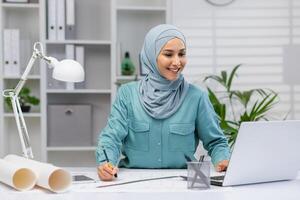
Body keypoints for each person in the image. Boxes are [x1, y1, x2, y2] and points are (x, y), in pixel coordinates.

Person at [96, 24, 230, 181]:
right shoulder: (127, 94)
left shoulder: (197, 97)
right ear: (151, 56)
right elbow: (111, 137)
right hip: (132, 182)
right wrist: (106, 163)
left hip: (183, 182)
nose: (177, 62)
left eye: (181, 54)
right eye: (168, 54)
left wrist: (223, 160)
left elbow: (216, 141)